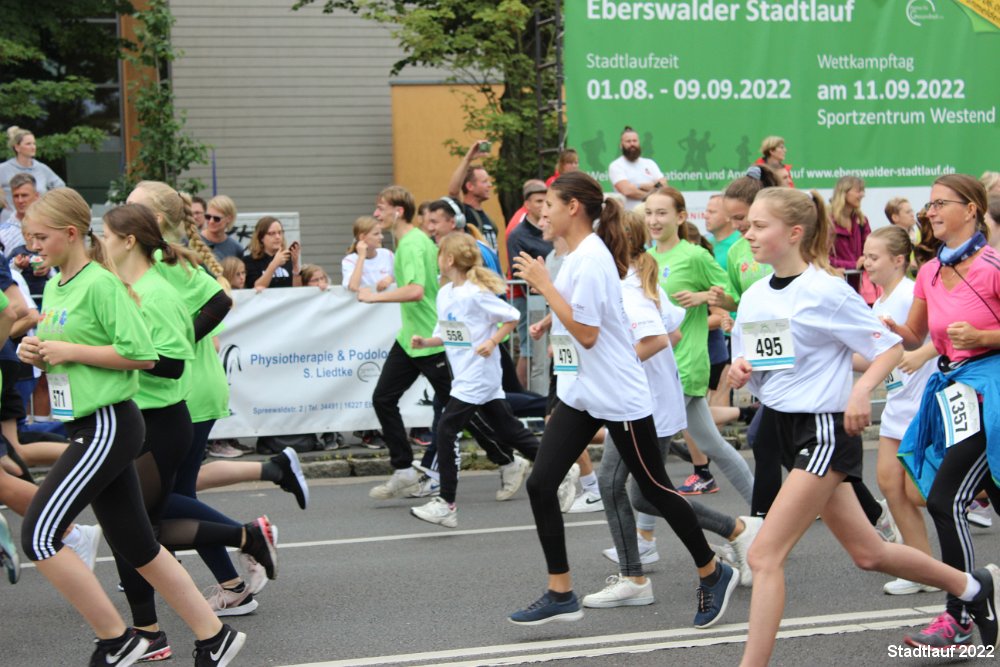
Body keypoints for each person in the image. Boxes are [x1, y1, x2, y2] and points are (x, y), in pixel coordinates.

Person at [730, 185, 1000, 665]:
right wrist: (741, 371)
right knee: (869, 554)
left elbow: (888, 348)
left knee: (763, 555)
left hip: (823, 431)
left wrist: (861, 391)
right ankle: (972, 585)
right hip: (781, 427)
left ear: (794, 233)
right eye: (747, 225)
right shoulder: (753, 297)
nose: (747, 234)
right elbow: (760, 367)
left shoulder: (826, 291)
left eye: (758, 225)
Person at [18, 188, 246, 666]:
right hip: (84, 420)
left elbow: (142, 354)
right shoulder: (57, 286)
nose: (32, 246)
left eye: (40, 237)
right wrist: (36, 352)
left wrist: (70, 351)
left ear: (70, 233)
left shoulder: (102, 284)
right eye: (28, 237)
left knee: (39, 535)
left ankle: (117, 639)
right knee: (137, 542)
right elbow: (70, 351)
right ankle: (214, 636)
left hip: (109, 422)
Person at [510, 171, 737, 628]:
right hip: (584, 393)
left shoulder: (591, 257)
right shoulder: (577, 256)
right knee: (541, 484)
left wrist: (544, 286)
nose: (541, 213)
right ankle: (561, 592)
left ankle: (713, 571)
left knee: (653, 490)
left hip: (619, 394)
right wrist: (549, 313)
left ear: (573, 207)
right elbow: (578, 323)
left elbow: (588, 334)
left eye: (549, 204)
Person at [102, 203, 277, 661]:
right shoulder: (129, 286)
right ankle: (241, 543)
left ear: (129, 240)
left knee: (134, 530)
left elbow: (170, 363)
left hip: (161, 420)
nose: (101, 242)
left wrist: (100, 356)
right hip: (142, 417)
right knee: (140, 528)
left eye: (106, 234)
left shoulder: (157, 292)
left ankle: (156, 631)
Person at [586, 211, 761, 608]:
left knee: (612, 484)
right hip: (645, 399)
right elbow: (676, 330)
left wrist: (614, 363)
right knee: (645, 496)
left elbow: (659, 340)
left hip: (640, 403)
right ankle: (737, 529)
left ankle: (634, 577)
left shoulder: (629, 287)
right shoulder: (632, 278)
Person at [884, 174, 1000, 648]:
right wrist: (892, 330)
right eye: (928, 205)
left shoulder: (993, 267)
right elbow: (917, 335)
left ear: (970, 209)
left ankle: (960, 616)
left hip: (992, 394)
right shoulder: (930, 271)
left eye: (939, 204)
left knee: (945, 499)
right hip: (955, 394)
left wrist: (985, 338)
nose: (929, 212)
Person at [409, 233, 540, 527]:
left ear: (449, 259)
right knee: (508, 430)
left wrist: (492, 341)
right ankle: (561, 467)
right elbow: (446, 333)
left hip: (478, 373)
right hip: (465, 374)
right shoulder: (445, 293)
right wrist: (426, 342)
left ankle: (446, 503)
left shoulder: (475, 293)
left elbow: (511, 315)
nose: (437, 259)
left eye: (439, 254)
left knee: (446, 428)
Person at [644, 187, 754, 502]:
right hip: (658, 364)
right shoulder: (647, 258)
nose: (654, 220)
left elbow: (734, 294)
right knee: (711, 444)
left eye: (662, 213)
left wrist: (702, 297)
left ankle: (644, 530)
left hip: (685, 362)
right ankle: (764, 508)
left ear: (680, 217)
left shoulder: (694, 255)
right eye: (649, 213)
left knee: (649, 452)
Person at [857, 226, 939, 596]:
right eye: (865, 255)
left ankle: (978, 494)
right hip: (897, 404)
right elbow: (879, 359)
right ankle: (922, 569)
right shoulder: (880, 303)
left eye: (874, 257)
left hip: (921, 404)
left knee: (918, 492)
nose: (866, 262)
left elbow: (929, 340)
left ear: (898, 260)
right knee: (890, 485)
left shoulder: (909, 294)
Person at [359, 186, 449, 499]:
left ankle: (510, 459)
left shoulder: (411, 243)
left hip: (430, 340)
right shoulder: (413, 241)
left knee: (465, 409)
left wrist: (375, 297)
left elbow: (416, 291)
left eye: (381, 207)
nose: (376, 214)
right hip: (410, 340)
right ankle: (404, 471)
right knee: (383, 398)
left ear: (398, 211)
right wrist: (392, 279)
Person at [506, 180, 553, 388]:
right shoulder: (518, 234)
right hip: (525, 298)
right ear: (527, 204)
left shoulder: (551, 229)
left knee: (545, 349)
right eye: (538, 201)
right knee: (530, 349)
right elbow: (518, 271)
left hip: (548, 298)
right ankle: (523, 393)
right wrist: (540, 294)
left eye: (546, 201)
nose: (542, 206)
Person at [1, 127, 65, 224]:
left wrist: (48, 204)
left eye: (34, 143)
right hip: (9, 222)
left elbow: (61, 188)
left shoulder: (41, 168)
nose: (33, 147)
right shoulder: (4, 168)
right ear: (17, 147)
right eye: (28, 144)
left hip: (38, 221)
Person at [447, 141, 500, 250]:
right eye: (484, 181)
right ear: (470, 186)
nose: (489, 185)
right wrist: (468, 158)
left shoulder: (487, 218)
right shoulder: (464, 212)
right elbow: (453, 191)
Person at [829, 175, 870, 294]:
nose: (862, 195)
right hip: (833, 285)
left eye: (863, 191)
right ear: (844, 192)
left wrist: (866, 259)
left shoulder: (862, 221)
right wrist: (853, 265)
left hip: (857, 287)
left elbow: (870, 248)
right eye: (858, 191)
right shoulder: (827, 221)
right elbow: (821, 257)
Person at [608, 126, 666, 211]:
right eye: (628, 141)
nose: (632, 144)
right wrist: (651, 191)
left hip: (651, 215)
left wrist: (637, 186)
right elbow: (627, 191)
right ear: (621, 145)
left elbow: (663, 186)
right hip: (628, 216)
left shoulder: (650, 163)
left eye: (635, 141)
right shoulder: (616, 165)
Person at [244, 216, 301, 289]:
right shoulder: (249, 261)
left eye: (280, 232)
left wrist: (295, 266)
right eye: (272, 233)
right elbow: (256, 287)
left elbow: (297, 290)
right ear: (261, 237)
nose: (277, 237)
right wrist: (274, 264)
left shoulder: (286, 258)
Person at [341, 215, 394, 292]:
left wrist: (390, 279)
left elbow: (401, 277)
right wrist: (361, 257)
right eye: (376, 234)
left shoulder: (388, 254)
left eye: (381, 233)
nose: (381, 237)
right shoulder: (349, 260)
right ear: (362, 237)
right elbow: (353, 286)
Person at [201, 195, 246, 262]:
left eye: (217, 218)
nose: (211, 221)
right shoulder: (192, 240)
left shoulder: (236, 249)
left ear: (229, 219)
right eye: (208, 217)